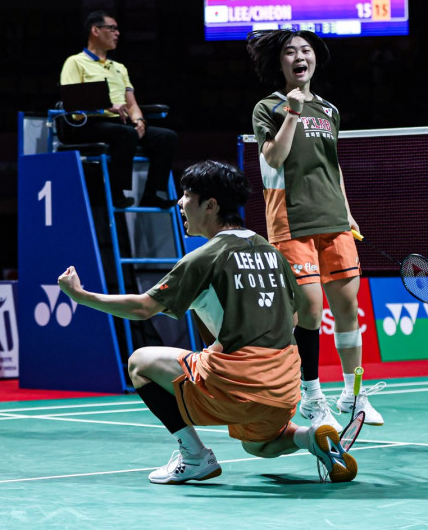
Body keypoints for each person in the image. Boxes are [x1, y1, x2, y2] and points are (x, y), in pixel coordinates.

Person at [57, 160, 357, 484]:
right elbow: (297, 317)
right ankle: (311, 437)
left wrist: (82, 296)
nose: (180, 202)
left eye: (188, 195)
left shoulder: (205, 257)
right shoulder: (272, 252)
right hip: (284, 387)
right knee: (257, 444)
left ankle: (194, 456)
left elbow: (143, 308)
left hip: (239, 383)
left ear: (210, 205)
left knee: (139, 363)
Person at [246, 29, 384, 432]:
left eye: (305, 50)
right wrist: (291, 112)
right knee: (308, 310)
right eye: (290, 52)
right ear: (280, 63)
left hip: (334, 220)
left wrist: (348, 212)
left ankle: (353, 394)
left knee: (347, 309)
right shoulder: (268, 107)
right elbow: (273, 157)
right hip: (291, 220)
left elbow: (332, 165)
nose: (299, 57)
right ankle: (311, 396)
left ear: (314, 59)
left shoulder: (329, 110)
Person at [59, 10, 176, 209]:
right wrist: (104, 105)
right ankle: (116, 193)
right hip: (88, 123)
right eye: (112, 28)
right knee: (125, 134)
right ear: (95, 30)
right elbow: (72, 102)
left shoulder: (119, 67)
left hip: (119, 124)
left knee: (166, 137)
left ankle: (152, 193)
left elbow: (131, 104)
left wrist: (139, 120)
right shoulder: (75, 62)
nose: (117, 33)